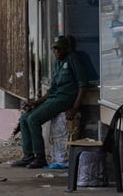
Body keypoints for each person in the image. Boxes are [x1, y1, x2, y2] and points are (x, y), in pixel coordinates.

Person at [10, 35, 90, 169]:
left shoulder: (72, 59)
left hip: (65, 98)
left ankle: (39, 157)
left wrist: (75, 108)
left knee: (33, 119)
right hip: (55, 97)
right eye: (54, 49)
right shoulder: (57, 63)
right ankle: (28, 155)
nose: (56, 52)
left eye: (59, 49)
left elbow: (83, 85)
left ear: (66, 49)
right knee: (25, 118)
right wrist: (35, 103)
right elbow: (52, 89)